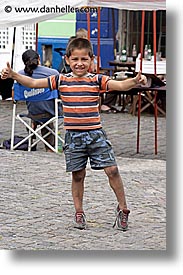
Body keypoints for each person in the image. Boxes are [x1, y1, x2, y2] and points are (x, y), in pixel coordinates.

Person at [1, 38, 147, 231]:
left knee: (112, 170)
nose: (80, 63)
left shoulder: (97, 80)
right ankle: (79, 211)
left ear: (91, 60)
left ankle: (123, 208)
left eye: (84, 59)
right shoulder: (61, 80)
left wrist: (135, 81)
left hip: (95, 135)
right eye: (75, 59)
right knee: (78, 175)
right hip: (73, 137)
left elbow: (119, 86)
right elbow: (34, 83)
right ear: (68, 60)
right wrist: (14, 75)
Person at [18, 49, 60, 152]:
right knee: (46, 114)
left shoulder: (20, 75)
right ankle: (49, 147)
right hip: (50, 112)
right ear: (39, 59)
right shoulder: (53, 73)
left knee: (35, 110)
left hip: (32, 111)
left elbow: (14, 96)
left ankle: (31, 134)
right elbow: (60, 93)